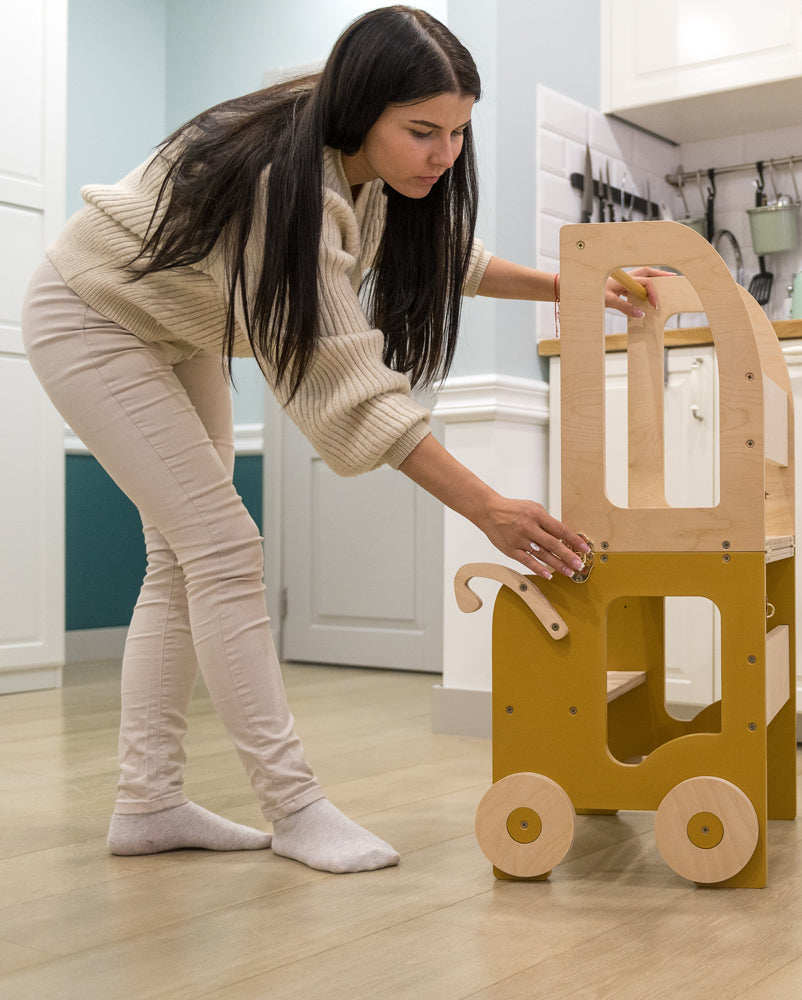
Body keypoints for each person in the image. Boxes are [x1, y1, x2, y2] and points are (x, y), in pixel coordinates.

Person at [21, 5, 660, 874]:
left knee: (184, 557)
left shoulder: (363, 171)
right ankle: (293, 809)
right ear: (363, 111)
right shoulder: (284, 185)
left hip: (170, 330)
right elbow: (348, 380)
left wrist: (570, 284)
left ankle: (149, 802)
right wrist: (487, 507)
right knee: (221, 547)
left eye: (459, 132)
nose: (446, 155)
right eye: (423, 131)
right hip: (91, 316)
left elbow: (448, 256)